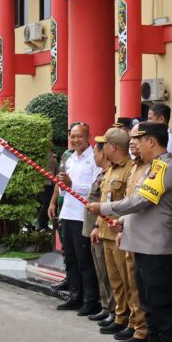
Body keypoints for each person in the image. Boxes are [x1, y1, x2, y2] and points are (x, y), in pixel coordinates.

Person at [89, 122, 172, 342]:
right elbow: (143, 204)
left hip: (158, 248)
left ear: (151, 141)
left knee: (161, 306)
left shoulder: (164, 167)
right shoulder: (151, 167)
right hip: (145, 245)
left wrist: (105, 209)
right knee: (149, 303)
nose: (134, 144)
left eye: (138, 140)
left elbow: (141, 201)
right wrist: (122, 221)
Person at [90, 128, 146, 342]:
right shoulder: (110, 170)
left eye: (104, 144)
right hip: (105, 232)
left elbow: (129, 204)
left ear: (113, 147)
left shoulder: (130, 169)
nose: (102, 149)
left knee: (129, 281)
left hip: (120, 234)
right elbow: (105, 199)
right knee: (115, 281)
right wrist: (96, 226)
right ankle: (120, 316)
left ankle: (134, 322)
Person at [48, 122, 101, 314]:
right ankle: (74, 296)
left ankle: (90, 300)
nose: (75, 140)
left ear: (88, 137)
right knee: (70, 257)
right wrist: (62, 187)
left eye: (79, 136)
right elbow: (63, 187)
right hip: (68, 212)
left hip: (84, 216)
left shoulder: (94, 159)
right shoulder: (70, 159)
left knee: (84, 260)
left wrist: (73, 184)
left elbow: (96, 189)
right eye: (73, 136)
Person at [83, 140, 113, 318]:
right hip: (95, 229)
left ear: (102, 153)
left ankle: (113, 310)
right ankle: (105, 307)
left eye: (95, 152)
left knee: (108, 273)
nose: (94, 156)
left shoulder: (110, 174)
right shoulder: (103, 174)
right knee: (100, 271)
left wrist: (97, 226)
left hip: (103, 228)